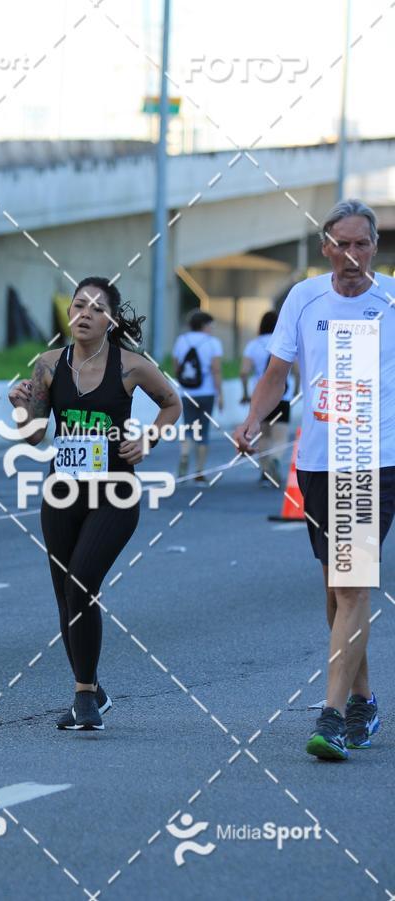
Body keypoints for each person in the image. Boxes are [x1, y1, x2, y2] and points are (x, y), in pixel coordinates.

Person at [235, 199, 395, 761]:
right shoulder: (303, 298)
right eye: (340, 244)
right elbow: (277, 372)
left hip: (373, 459)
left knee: (351, 587)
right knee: (336, 592)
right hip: (318, 461)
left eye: (362, 244)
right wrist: (255, 418)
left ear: (374, 246)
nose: (351, 256)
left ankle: (331, 717)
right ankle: (364, 700)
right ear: (325, 247)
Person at [8, 276, 181, 731]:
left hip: (115, 493)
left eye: (96, 308)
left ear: (110, 319)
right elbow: (33, 435)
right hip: (61, 492)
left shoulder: (131, 366)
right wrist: (20, 406)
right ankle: (91, 689)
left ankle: (84, 698)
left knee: (82, 582)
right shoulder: (47, 366)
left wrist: (148, 439)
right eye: (77, 305)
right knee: (66, 593)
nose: (84, 313)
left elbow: (171, 403)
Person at [240, 310, 299, 485]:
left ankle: (265, 472)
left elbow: (244, 372)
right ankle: (276, 459)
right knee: (280, 436)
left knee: (264, 435)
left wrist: (245, 393)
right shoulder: (285, 341)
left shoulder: (253, 345)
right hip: (283, 395)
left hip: (262, 396)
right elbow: (296, 371)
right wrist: (295, 389)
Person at [172, 311, 223, 482]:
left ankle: (184, 456)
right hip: (207, 392)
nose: (212, 329)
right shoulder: (213, 343)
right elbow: (216, 369)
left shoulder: (181, 340)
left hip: (186, 393)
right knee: (203, 431)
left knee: (188, 428)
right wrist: (220, 393)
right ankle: (199, 471)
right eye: (211, 325)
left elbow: (176, 367)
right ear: (204, 325)